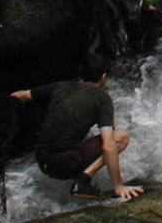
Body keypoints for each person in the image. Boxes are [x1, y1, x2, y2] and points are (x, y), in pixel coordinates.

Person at [10, 57, 142, 200]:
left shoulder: (60, 86)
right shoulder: (102, 98)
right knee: (121, 136)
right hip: (65, 163)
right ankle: (83, 181)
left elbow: (20, 95)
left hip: (42, 161)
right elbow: (108, 146)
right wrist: (118, 186)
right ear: (103, 78)